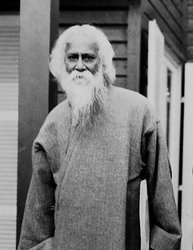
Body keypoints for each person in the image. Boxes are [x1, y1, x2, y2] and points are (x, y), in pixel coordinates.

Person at [18, 24, 181, 250]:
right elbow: (37, 212)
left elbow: (162, 198)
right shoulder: (54, 122)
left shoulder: (138, 111)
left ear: (102, 63)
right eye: (72, 57)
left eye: (88, 57)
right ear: (62, 64)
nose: (80, 66)